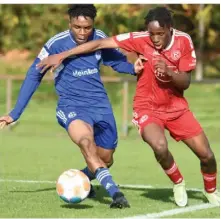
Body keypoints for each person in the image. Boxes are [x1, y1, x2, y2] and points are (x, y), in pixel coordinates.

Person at [36, 7, 220, 207]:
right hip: (146, 107)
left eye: (160, 34)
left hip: (177, 108)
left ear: (170, 29)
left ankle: (211, 190)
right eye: (152, 34)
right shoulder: (140, 38)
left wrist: (169, 72)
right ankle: (178, 182)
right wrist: (63, 55)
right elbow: (98, 43)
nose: (155, 39)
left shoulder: (183, 41)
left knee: (207, 155)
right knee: (159, 146)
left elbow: (185, 82)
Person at [0, 4, 144, 208]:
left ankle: (80, 179)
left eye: (88, 28)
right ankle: (116, 195)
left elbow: (116, 62)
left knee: (105, 159)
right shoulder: (56, 44)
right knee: (86, 143)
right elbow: (34, 74)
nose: (83, 32)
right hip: (72, 105)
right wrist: (15, 113)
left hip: (100, 105)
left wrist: (133, 69)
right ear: (69, 23)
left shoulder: (99, 37)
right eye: (77, 27)